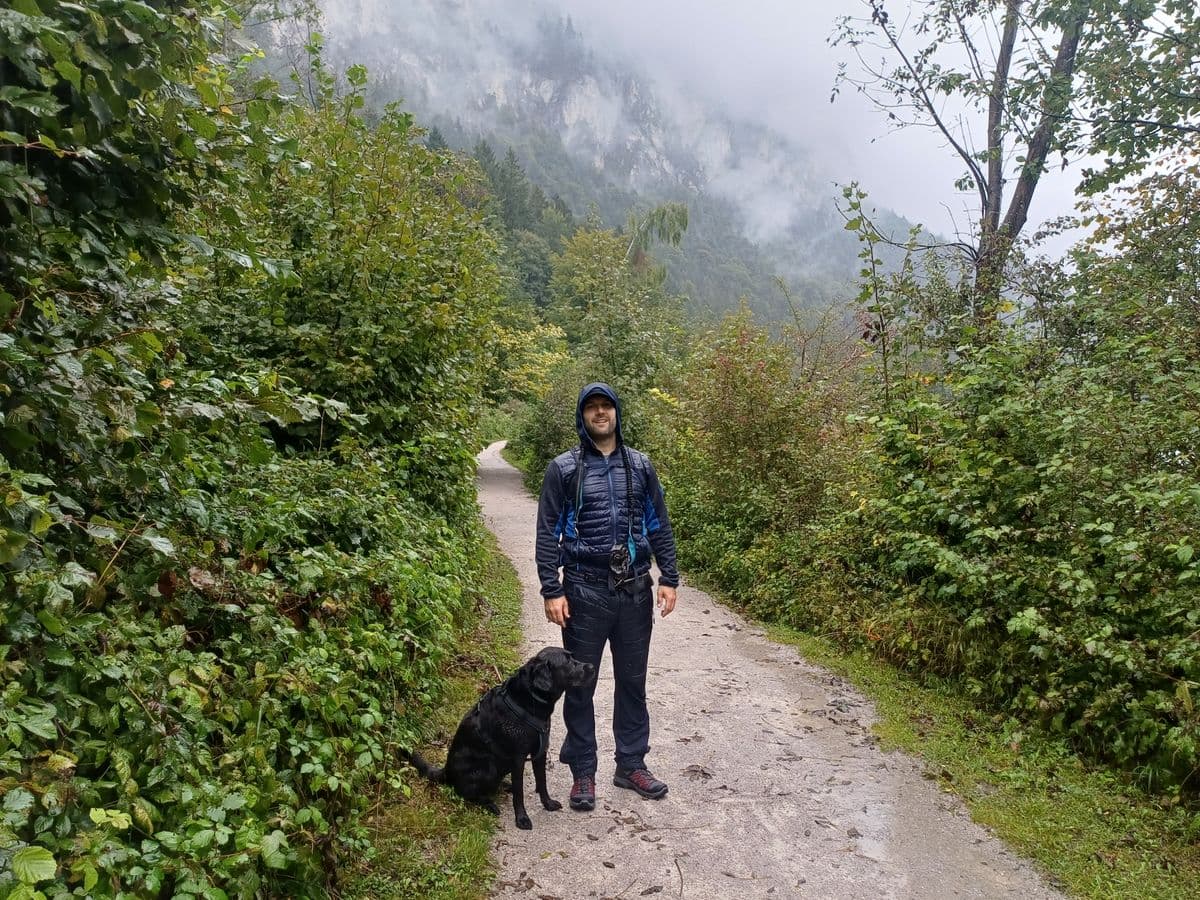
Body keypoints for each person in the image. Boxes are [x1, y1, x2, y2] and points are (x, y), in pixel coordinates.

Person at [535, 382, 680, 811]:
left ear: (617, 413)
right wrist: (552, 589)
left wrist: (668, 577)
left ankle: (630, 764)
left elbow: (658, 524)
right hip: (583, 589)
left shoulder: (640, 466)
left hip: (635, 590)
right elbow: (548, 533)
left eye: (606, 407)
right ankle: (583, 773)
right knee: (581, 685)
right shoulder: (563, 469)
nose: (600, 413)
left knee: (633, 683)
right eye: (592, 408)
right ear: (582, 417)